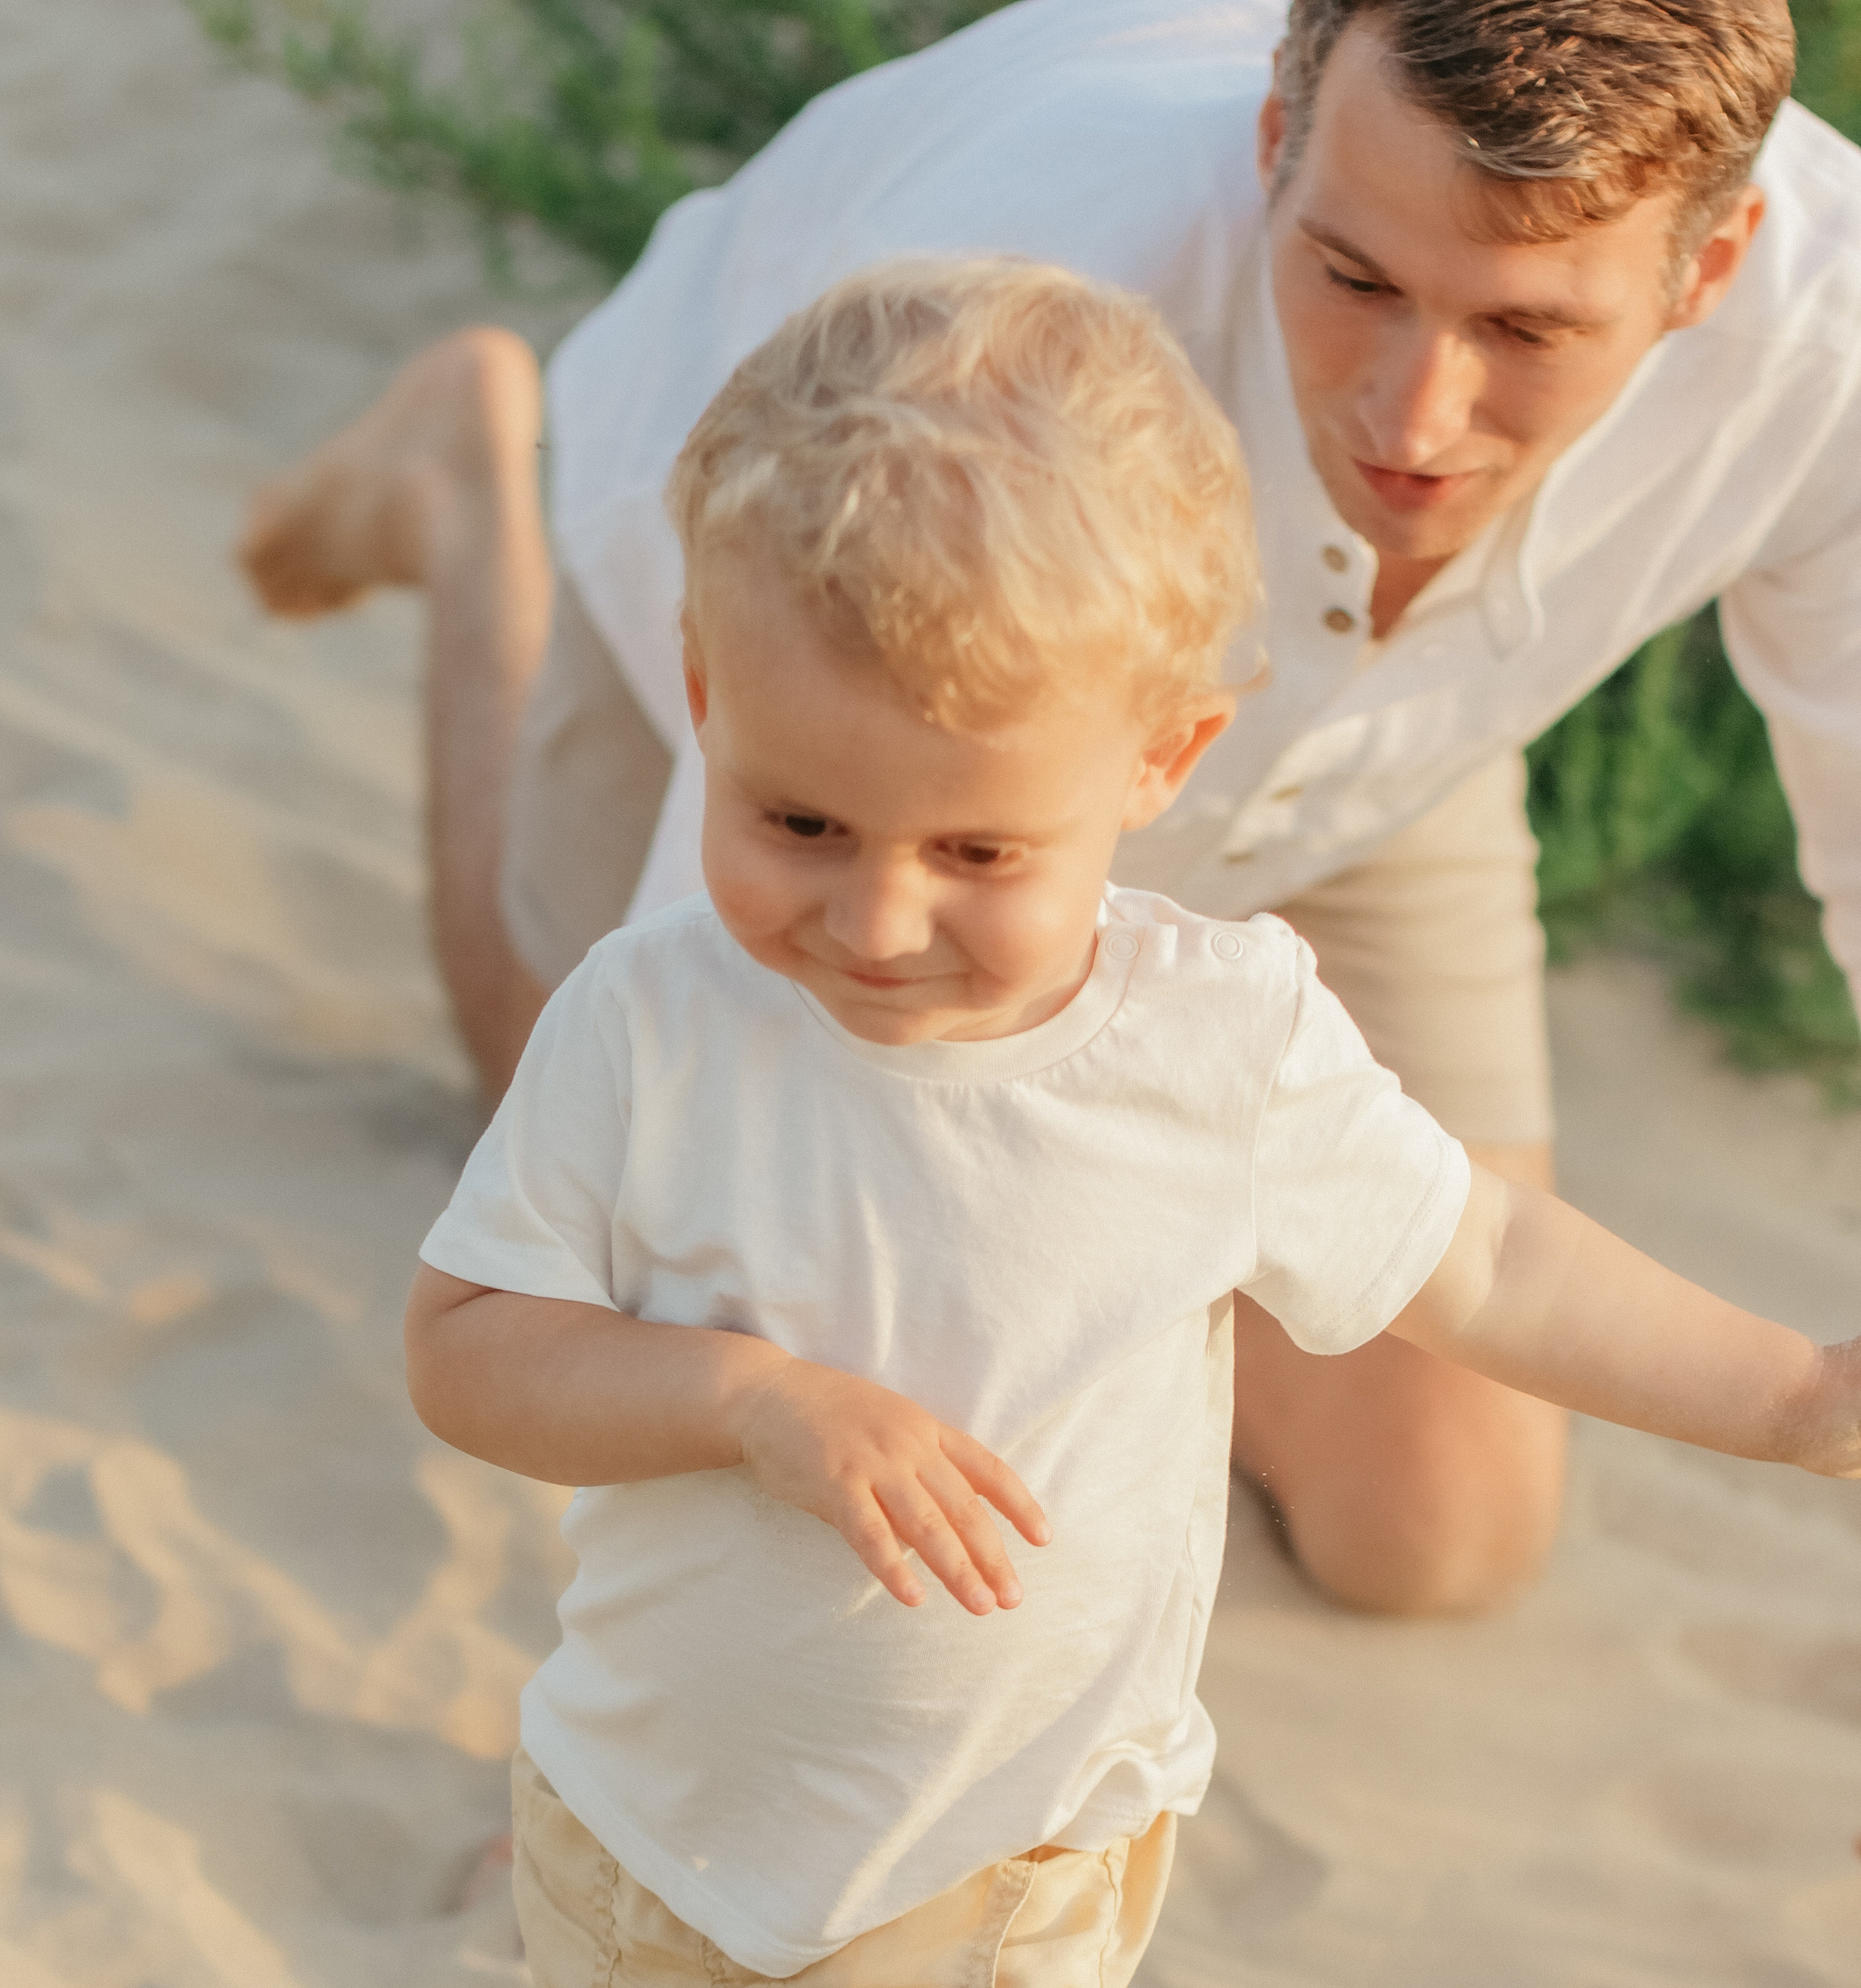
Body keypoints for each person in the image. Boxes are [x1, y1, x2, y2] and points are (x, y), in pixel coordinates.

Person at [401, 257, 1860, 1988]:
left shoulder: (1218, 1054)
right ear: (711, 706)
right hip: (646, 1821)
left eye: (984, 850)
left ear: (1162, 768)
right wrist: (741, 1398)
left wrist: (1790, 1394)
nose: (876, 919)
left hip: (994, 1884)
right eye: (806, 824)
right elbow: (469, 1353)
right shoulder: (651, 1017)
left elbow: (1487, 1268)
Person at [241, 0, 1853, 1624]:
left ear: (1705, 274)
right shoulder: (1014, 276)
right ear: (1277, 139)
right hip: (839, 701)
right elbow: (722, 1114)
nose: (1412, 419)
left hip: (1378, 738)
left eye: (1525, 330)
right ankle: (473, 504)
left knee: (1433, 1537)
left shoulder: (1834, 347)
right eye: (1354, 278)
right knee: (593, 1125)